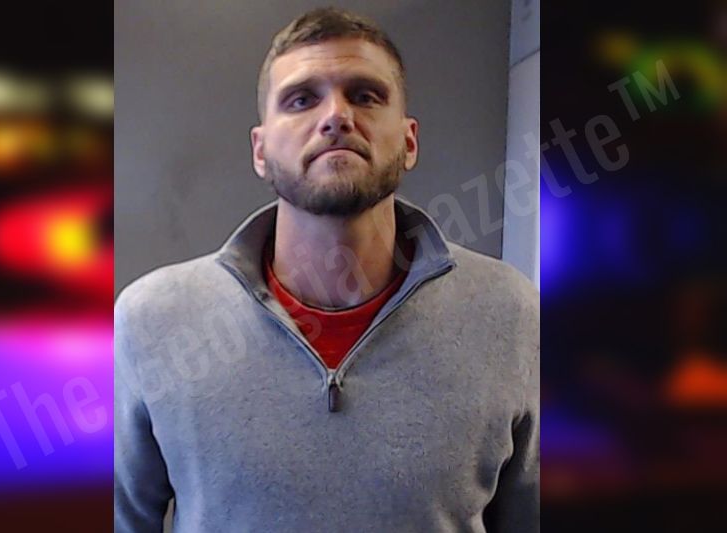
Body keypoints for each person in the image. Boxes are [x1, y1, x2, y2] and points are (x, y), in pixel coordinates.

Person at [115, 7, 538, 532]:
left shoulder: (510, 312)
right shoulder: (153, 320)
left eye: (365, 95)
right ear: (261, 150)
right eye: (301, 99)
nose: (336, 116)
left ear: (409, 141)